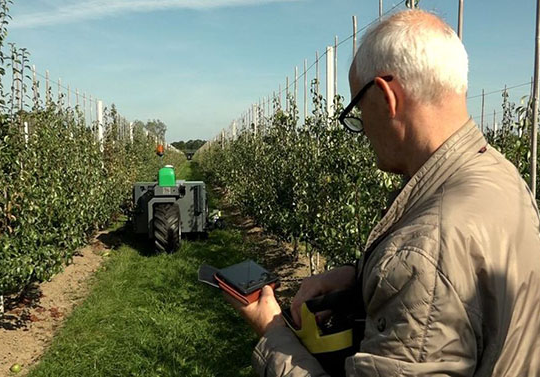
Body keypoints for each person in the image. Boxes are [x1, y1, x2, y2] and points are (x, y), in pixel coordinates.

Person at [224, 9, 540, 377]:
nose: (361, 129)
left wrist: (273, 333)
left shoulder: (423, 249)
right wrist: (360, 277)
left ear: (387, 96)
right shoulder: (498, 174)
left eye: (357, 109)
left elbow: (430, 265)